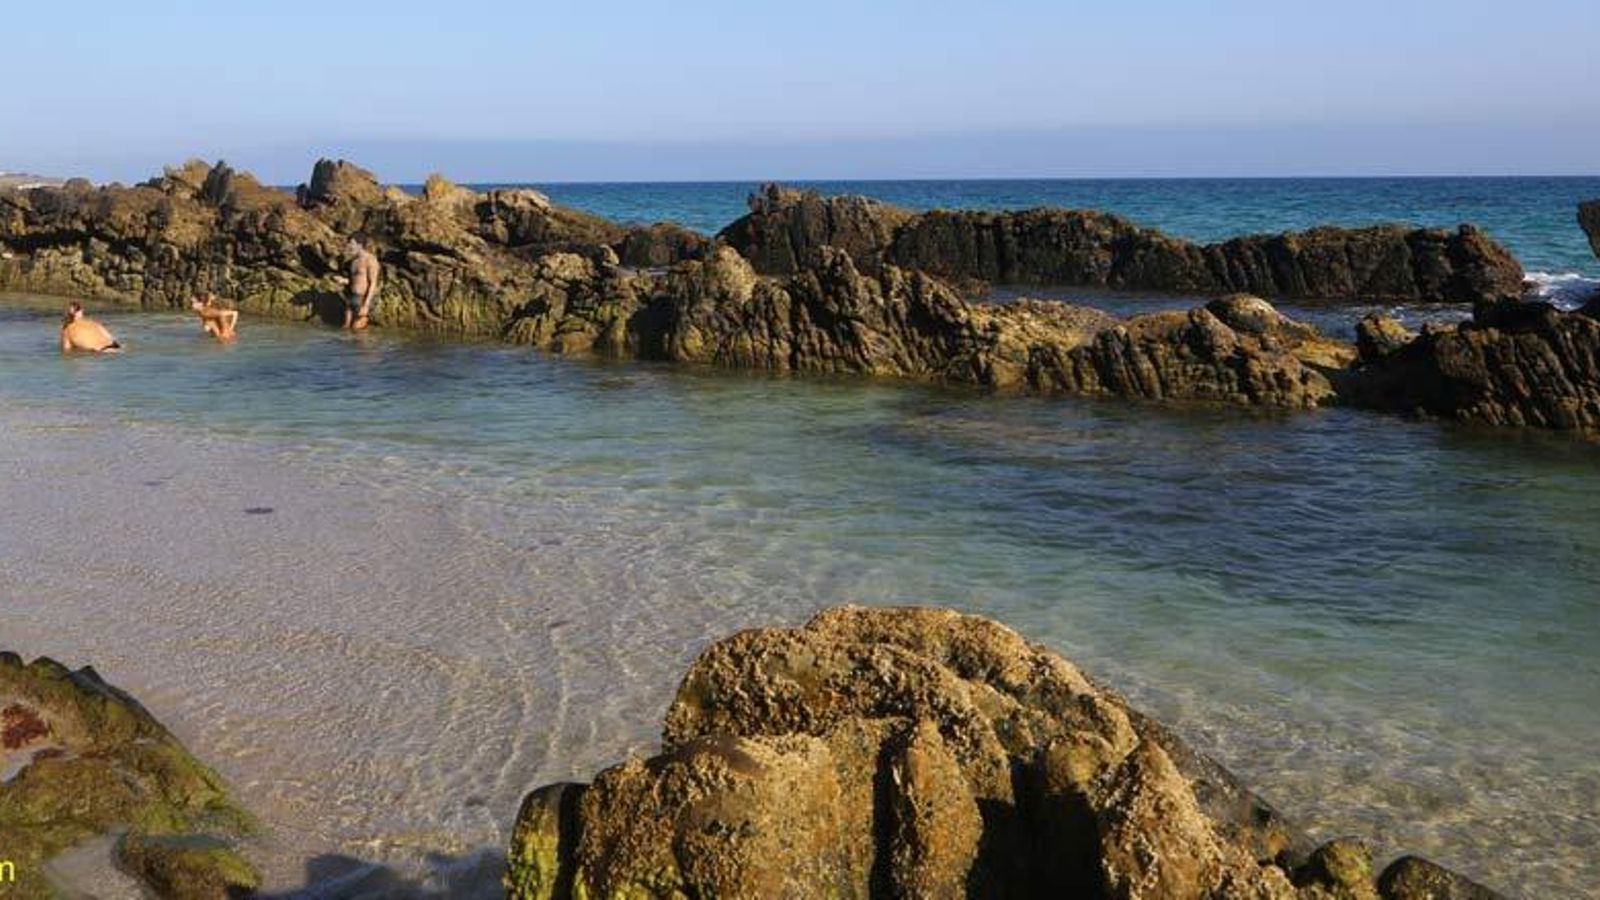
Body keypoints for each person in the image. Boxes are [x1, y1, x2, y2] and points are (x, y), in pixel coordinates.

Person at [344, 236, 381, 330]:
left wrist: (366, 305)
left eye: (351, 243)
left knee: (359, 335)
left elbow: (373, 283)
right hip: (351, 298)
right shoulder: (354, 261)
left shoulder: (370, 260)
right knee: (345, 331)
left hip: (363, 299)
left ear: (360, 245)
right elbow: (355, 280)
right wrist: (343, 281)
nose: (348, 246)